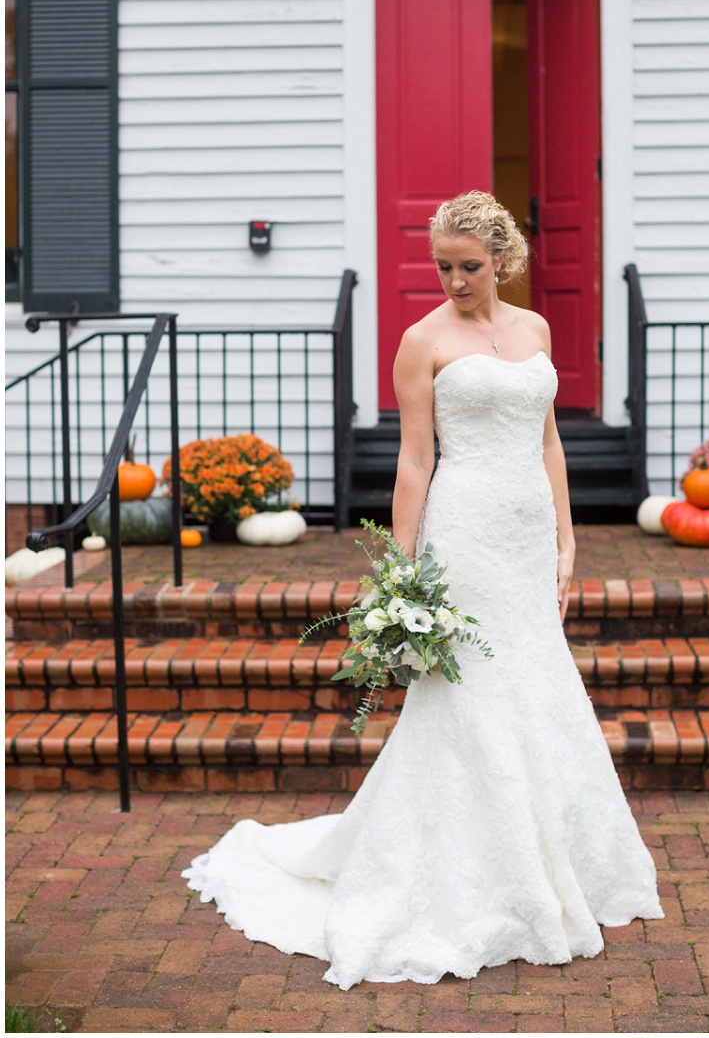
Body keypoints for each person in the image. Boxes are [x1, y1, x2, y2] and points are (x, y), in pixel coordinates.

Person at [183, 191, 663, 989]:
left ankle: (555, 864)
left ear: (502, 259)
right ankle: (463, 877)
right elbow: (414, 459)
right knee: (469, 694)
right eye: (442, 265)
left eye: (468, 266)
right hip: (465, 530)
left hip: (525, 529)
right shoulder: (420, 341)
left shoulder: (536, 331)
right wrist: (400, 567)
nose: (454, 280)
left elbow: (547, 439)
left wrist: (567, 536)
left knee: (537, 686)